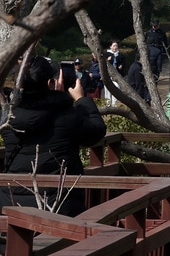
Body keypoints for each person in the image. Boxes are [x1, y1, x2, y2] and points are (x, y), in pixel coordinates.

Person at [1, 55, 107, 216]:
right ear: (50, 83)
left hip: (11, 206)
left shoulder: (7, 116)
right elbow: (96, 132)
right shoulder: (65, 116)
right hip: (57, 208)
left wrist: (55, 97)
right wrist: (80, 99)